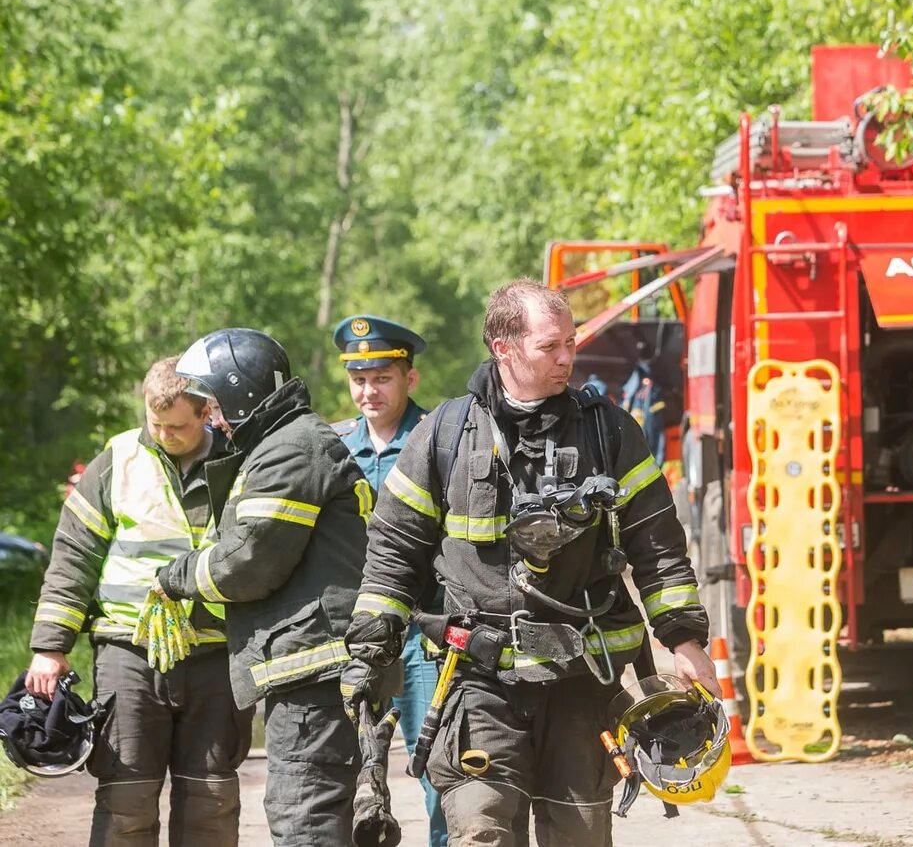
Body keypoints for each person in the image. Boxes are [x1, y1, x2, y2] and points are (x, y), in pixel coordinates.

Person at [343, 279, 718, 846]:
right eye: (551, 346)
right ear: (504, 347)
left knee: (578, 836)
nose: (568, 357)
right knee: (481, 828)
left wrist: (685, 640)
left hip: (580, 682)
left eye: (571, 341)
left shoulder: (609, 431)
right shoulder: (444, 434)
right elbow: (394, 549)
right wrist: (370, 652)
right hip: (478, 680)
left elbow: (657, 546)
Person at [154, 328, 372, 847]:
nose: (210, 416)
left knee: (305, 817)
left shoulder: (289, 450)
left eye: (211, 402)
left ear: (241, 393)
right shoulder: (290, 441)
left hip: (315, 675)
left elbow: (247, 563)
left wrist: (176, 578)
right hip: (318, 672)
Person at [26, 356, 252, 846]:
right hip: (127, 652)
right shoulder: (117, 461)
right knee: (125, 797)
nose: (165, 435)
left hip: (215, 653)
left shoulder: (241, 462)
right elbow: (73, 556)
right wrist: (50, 645)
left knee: (211, 802)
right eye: (156, 424)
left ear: (206, 412)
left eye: (177, 427)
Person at [331, 314, 448, 845]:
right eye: (359, 379)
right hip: (359, 639)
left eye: (381, 378)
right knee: (351, 779)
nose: (368, 390)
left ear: (409, 379)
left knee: (439, 772)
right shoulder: (333, 450)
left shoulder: (440, 441)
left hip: (424, 638)